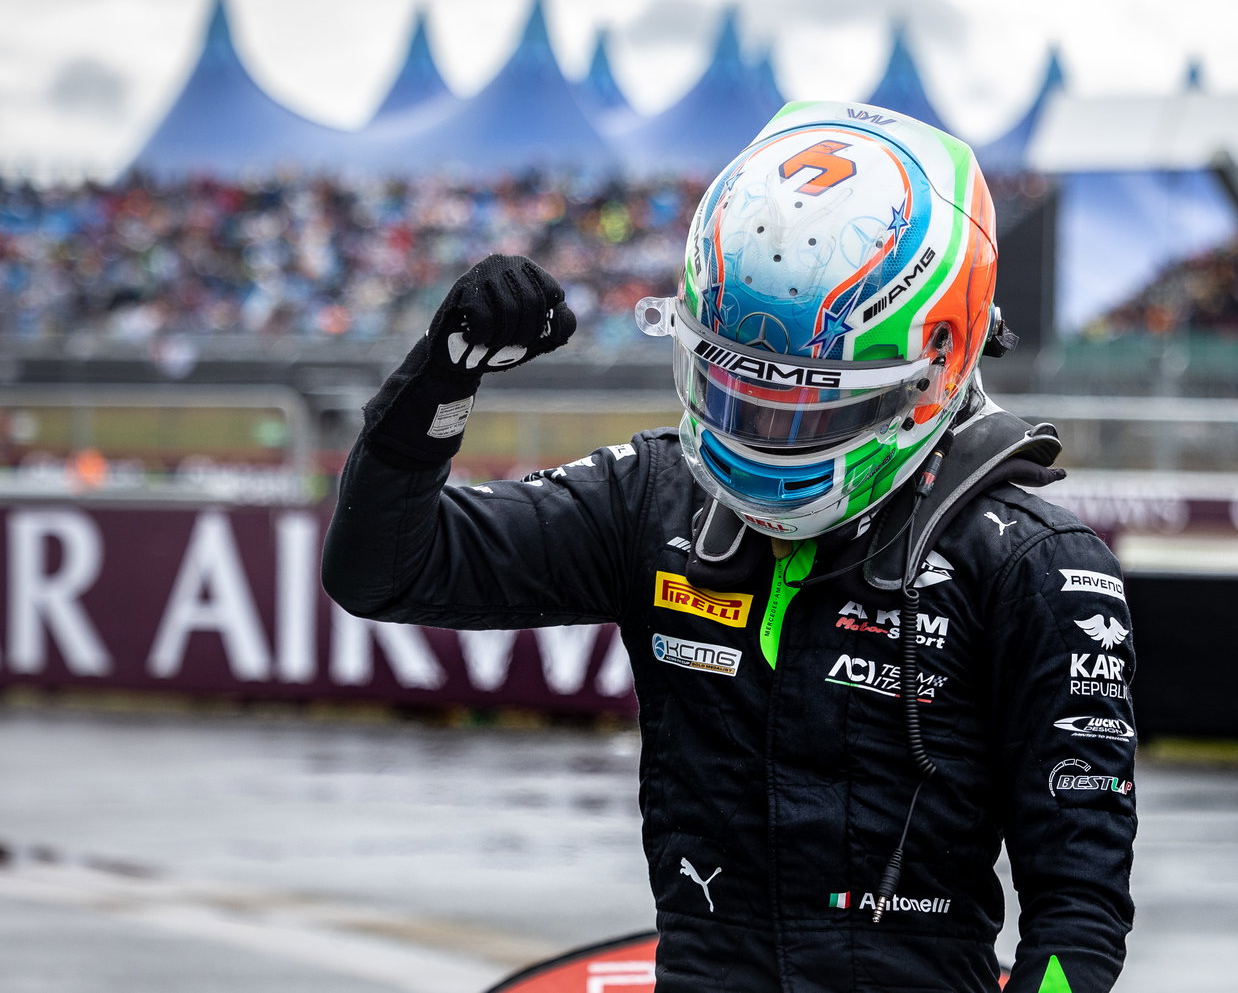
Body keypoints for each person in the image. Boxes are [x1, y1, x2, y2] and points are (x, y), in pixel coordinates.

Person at [322, 101, 1136, 993]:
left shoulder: (1035, 564)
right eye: (742, 391)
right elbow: (383, 569)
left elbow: (1077, 918)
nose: (768, 433)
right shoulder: (653, 498)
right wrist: (441, 378)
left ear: (938, 357)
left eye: (816, 401)